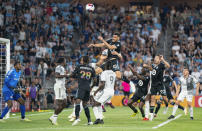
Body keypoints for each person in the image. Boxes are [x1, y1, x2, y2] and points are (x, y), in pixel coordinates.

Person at [70, 56, 96, 126]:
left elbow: (72, 75)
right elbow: (95, 80)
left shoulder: (79, 67)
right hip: (88, 88)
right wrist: (91, 87)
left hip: (81, 87)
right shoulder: (92, 68)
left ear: (83, 60)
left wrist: (71, 75)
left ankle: (77, 118)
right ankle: (89, 121)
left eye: (81, 60)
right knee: (85, 104)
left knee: (77, 102)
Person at [143, 55, 170, 121]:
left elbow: (168, 66)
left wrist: (163, 59)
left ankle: (166, 106)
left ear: (159, 59)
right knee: (152, 99)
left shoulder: (161, 65)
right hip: (153, 85)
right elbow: (147, 67)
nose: (155, 59)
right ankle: (151, 115)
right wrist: (146, 66)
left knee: (165, 99)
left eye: (157, 58)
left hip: (160, 85)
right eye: (155, 58)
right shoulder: (152, 65)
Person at [49, 58, 68, 125]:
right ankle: (54, 119)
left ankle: (52, 117)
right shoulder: (58, 67)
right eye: (65, 61)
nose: (66, 62)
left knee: (65, 103)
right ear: (62, 61)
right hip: (59, 86)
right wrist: (65, 75)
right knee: (59, 103)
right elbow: (56, 75)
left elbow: (62, 76)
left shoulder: (62, 68)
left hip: (62, 86)